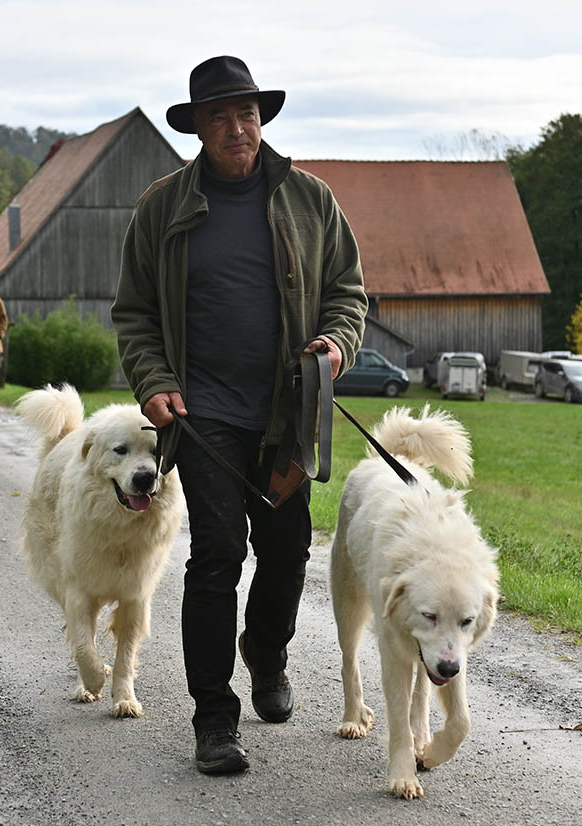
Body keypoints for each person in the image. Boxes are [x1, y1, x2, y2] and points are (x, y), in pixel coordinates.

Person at [111, 55, 367, 775]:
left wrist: (337, 345)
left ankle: (267, 651)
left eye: (247, 113)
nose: (236, 128)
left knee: (286, 553)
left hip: (290, 412)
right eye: (220, 116)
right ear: (197, 127)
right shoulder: (161, 207)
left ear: (262, 121)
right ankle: (215, 719)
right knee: (217, 553)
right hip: (203, 414)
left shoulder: (311, 200)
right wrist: (154, 380)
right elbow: (133, 315)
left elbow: (349, 293)